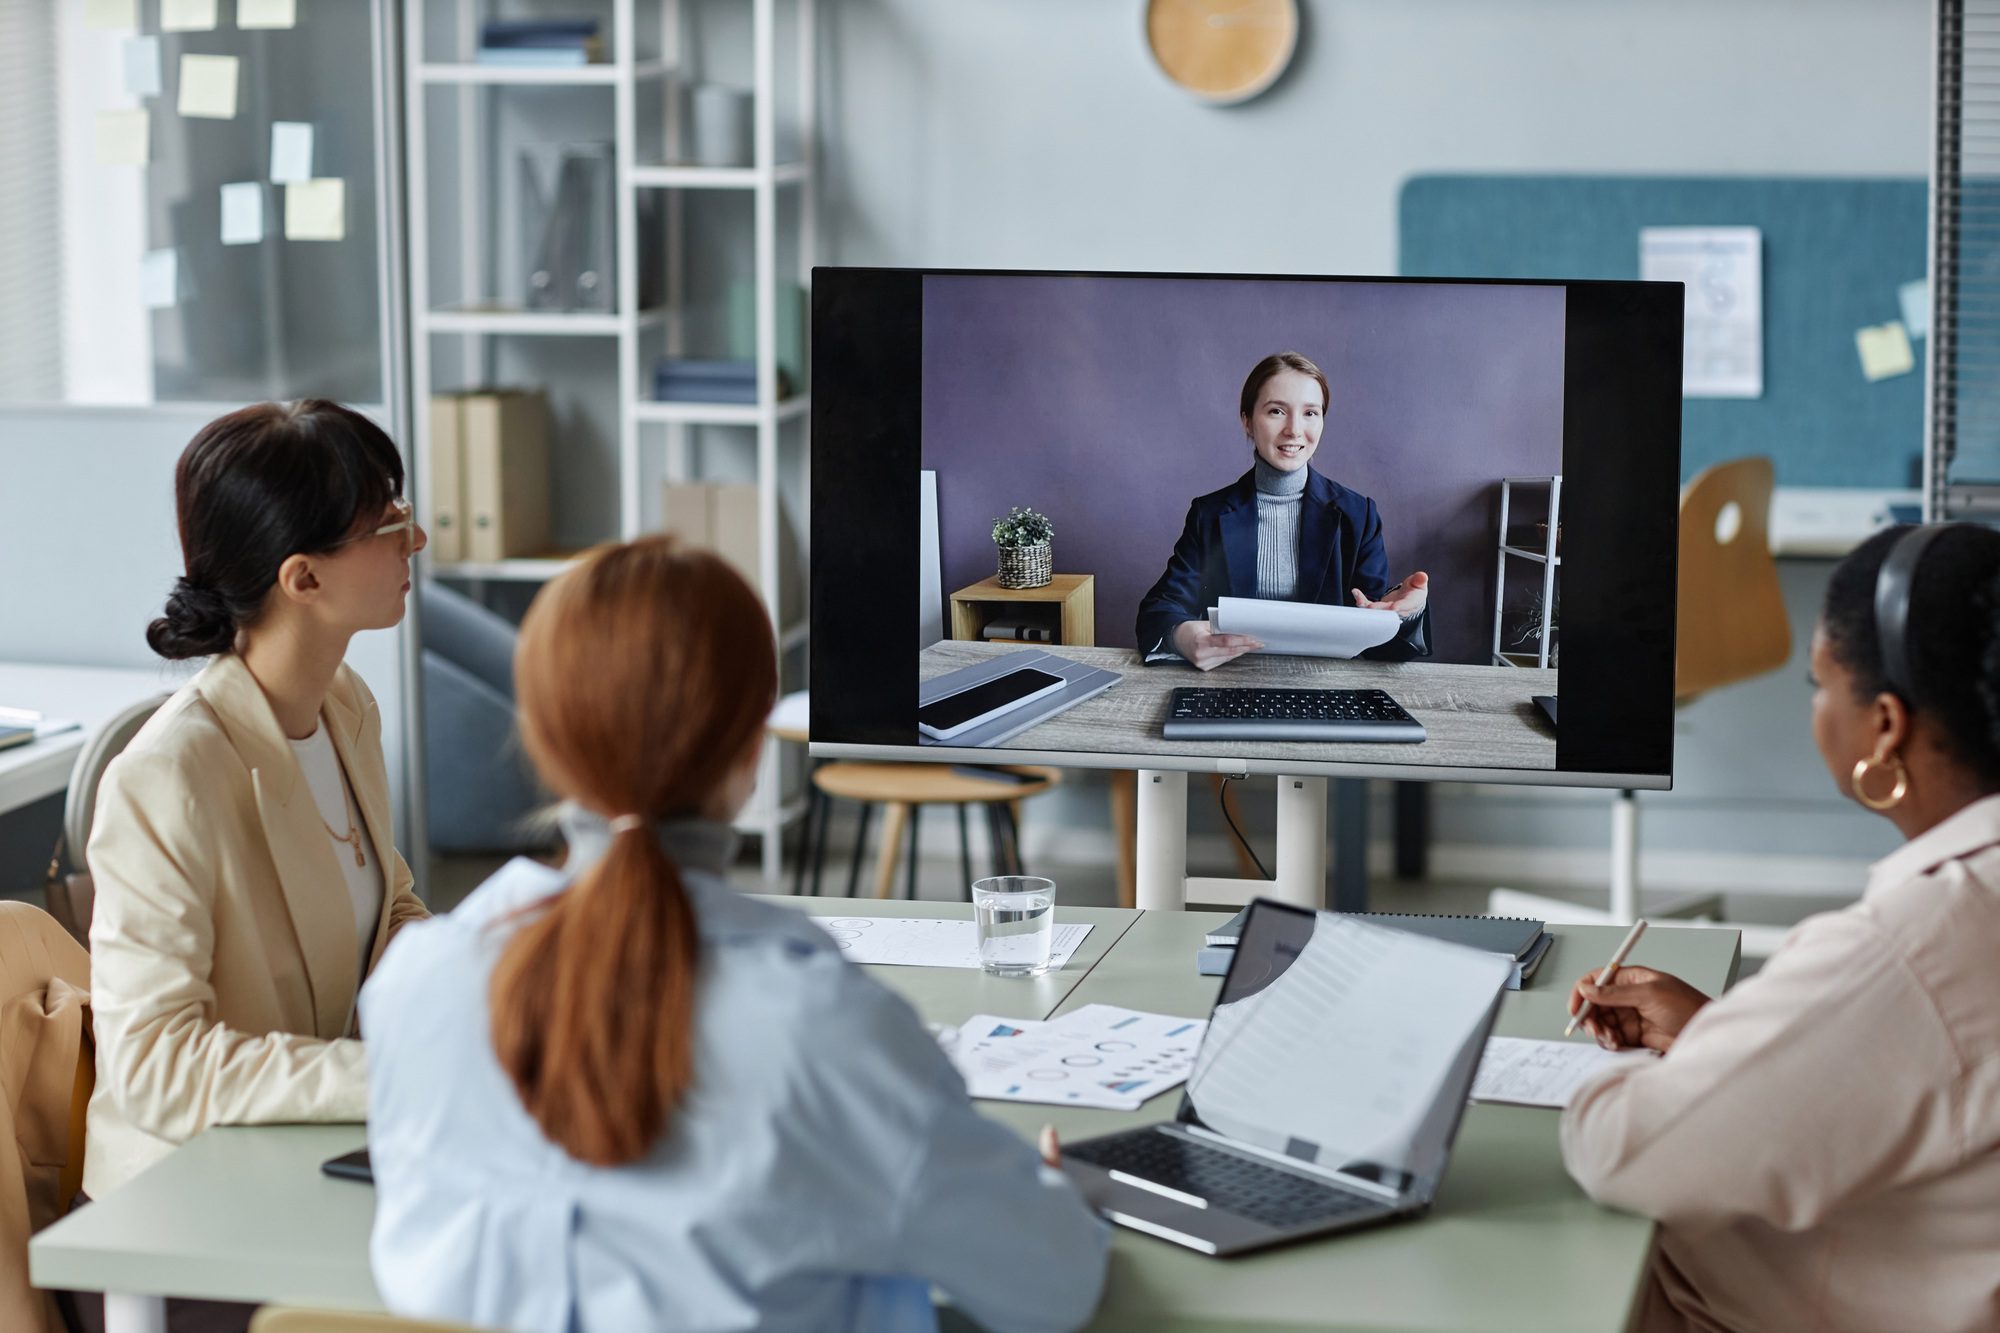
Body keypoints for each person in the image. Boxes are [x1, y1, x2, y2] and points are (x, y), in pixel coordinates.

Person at [361, 535, 1110, 1333]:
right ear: (752, 748)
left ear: (543, 740)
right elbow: (1054, 1291)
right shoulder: (823, 1031)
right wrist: (1049, 1195)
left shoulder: (416, 986)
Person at [1560, 523, 2000, 1333]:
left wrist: (1623, 1079)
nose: (1815, 709)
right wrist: (1725, 1038)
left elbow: (1620, 1148)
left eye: (1819, 684)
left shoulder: (1911, 945)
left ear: (1886, 726)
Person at [84, 400, 431, 1203]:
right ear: (303, 577)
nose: (413, 539)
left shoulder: (345, 705)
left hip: (298, 1163)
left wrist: (477, 991)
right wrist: (385, 1076)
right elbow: (154, 1066)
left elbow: (389, 906)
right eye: (389, 522)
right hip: (175, 1208)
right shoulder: (166, 777)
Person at [1135, 351, 1433, 670]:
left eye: (1310, 413)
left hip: (1328, 688)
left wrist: (1401, 614)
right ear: (1247, 419)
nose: (1294, 429)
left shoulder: (1358, 515)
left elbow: (1379, 644)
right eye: (1277, 411)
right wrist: (1182, 636)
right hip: (1229, 681)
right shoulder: (1209, 514)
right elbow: (1161, 607)